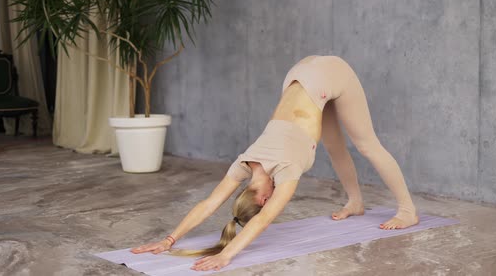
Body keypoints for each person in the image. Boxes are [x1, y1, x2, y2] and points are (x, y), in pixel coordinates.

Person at [131, 55, 418, 271]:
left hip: (330, 73)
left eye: (267, 202)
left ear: (263, 197)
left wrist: (226, 255)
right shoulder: (243, 163)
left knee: (367, 144)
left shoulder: (287, 169)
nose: (272, 204)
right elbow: (208, 204)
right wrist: (169, 239)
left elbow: (263, 219)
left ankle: (408, 211)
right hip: (300, 75)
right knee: (333, 145)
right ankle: (355, 202)